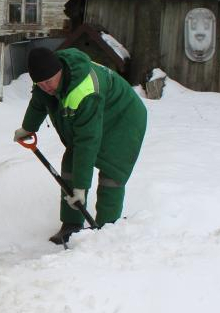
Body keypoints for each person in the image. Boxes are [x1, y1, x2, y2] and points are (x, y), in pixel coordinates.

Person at [14, 47, 147, 245]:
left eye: (49, 82)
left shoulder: (85, 91)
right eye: (40, 84)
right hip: (96, 118)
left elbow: (87, 142)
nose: (46, 87)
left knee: (112, 173)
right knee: (71, 164)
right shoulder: (46, 81)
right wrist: (28, 128)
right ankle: (71, 225)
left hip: (123, 119)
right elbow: (39, 102)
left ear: (59, 71)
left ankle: (105, 230)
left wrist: (81, 188)